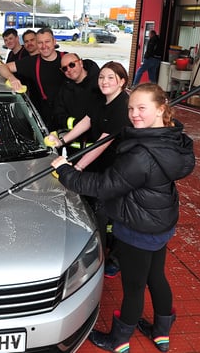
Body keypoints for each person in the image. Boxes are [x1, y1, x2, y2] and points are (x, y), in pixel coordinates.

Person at [51, 83, 195, 353]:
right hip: (161, 222)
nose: (134, 114)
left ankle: (119, 340)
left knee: (134, 286)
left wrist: (66, 172)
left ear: (160, 109)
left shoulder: (141, 157)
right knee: (156, 277)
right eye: (131, 108)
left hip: (138, 226)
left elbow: (104, 186)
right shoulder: (172, 139)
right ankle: (161, 334)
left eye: (142, 108)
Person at [48, 62, 131, 278]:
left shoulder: (123, 106)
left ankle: (110, 259)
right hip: (98, 164)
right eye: (102, 77)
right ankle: (97, 251)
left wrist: (76, 168)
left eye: (111, 78)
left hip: (116, 168)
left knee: (106, 213)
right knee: (93, 209)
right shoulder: (100, 100)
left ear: (122, 81)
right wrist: (62, 141)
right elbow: (87, 121)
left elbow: (103, 143)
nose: (104, 81)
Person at [0, 27, 66, 130]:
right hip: (47, 118)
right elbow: (2, 67)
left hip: (70, 114)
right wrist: (12, 78)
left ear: (54, 42)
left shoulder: (67, 58)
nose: (44, 46)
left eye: (47, 41)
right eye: (40, 43)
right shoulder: (31, 62)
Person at [52, 52, 104, 153]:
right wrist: (75, 123)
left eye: (72, 65)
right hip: (73, 150)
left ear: (80, 63)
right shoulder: (64, 89)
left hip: (99, 149)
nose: (69, 70)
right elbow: (58, 115)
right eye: (65, 68)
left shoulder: (100, 84)